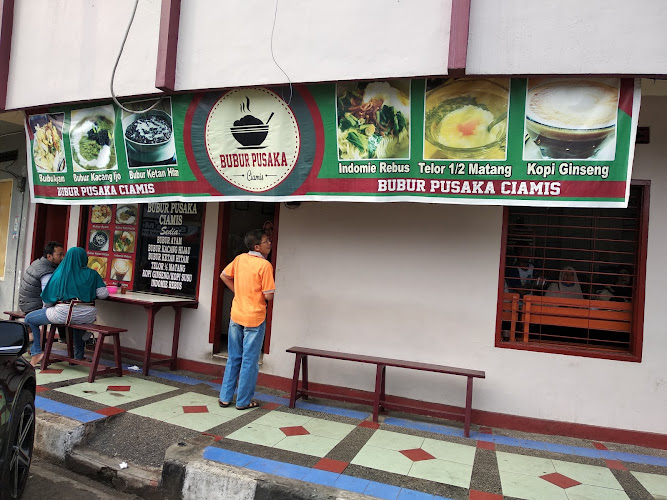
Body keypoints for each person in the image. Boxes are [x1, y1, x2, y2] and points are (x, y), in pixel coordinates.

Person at [218, 229, 275, 410]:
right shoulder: (265, 266)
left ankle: (225, 398)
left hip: (237, 315)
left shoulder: (240, 259)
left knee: (233, 357)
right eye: (267, 241)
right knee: (249, 361)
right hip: (255, 319)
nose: (270, 244)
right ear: (257, 247)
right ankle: (243, 401)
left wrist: (238, 291)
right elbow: (268, 296)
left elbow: (224, 276)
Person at [24, 247, 109, 367]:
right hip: (87, 315)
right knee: (78, 323)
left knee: (29, 319)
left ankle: (36, 352)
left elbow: (48, 299)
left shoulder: (60, 274)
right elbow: (103, 294)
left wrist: (47, 309)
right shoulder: (92, 274)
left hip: (64, 313)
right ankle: (78, 356)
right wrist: (86, 292)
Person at [18, 241, 64, 314]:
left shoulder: (38, 263)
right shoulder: (46, 272)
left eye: (63, 254)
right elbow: (47, 297)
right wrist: (48, 313)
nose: (62, 258)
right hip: (34, 307)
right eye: (60, 255)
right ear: (49, 256)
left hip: (26, 304)